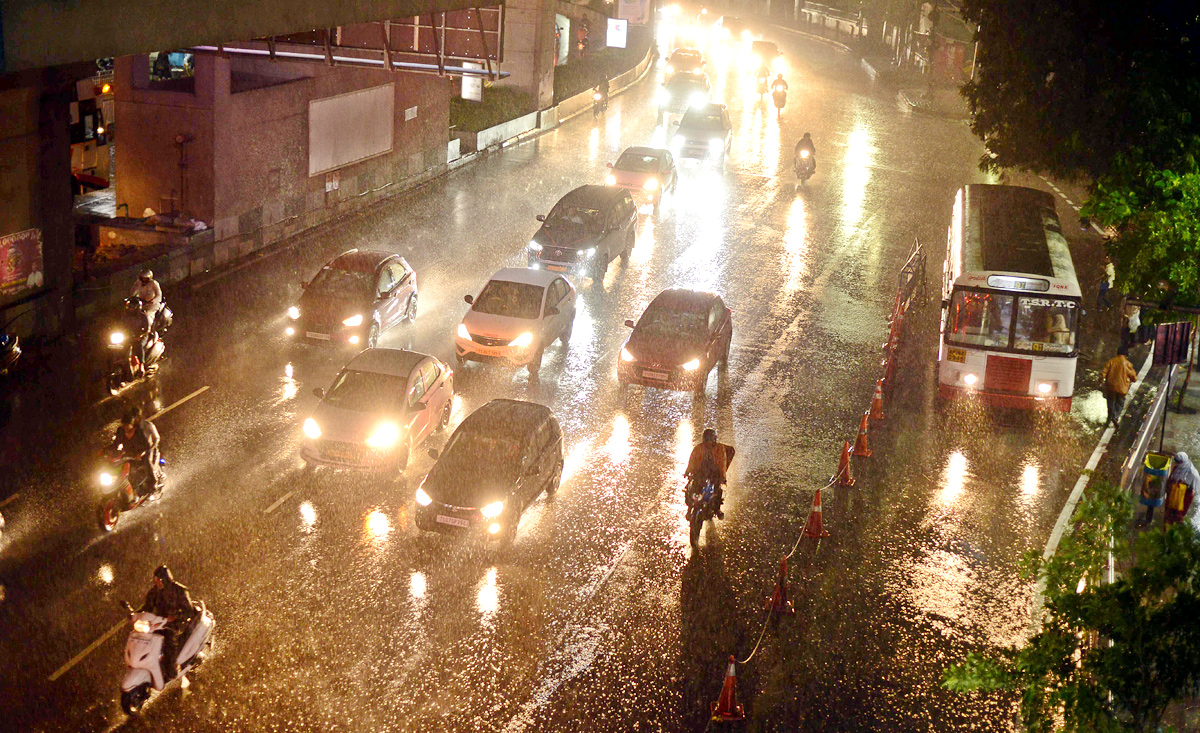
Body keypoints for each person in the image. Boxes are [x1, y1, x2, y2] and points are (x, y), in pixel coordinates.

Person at [141, 565, 196, 682]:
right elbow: (147, 608)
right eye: (156, 580)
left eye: (160, 580)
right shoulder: (154, 592)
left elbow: (189, 611)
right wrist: (136, 615)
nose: (157, 583)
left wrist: (175, 617)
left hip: (178, 623)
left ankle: (171, 671)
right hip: (161, 622)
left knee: (168, 641)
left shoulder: (180, 590)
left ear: (165, 579)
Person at [685, 428, 735, 519]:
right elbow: (692, 461)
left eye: (710, 440)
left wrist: (722, 477)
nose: (708, 443)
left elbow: (722, 463)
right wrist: (688, 472)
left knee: (717, 490)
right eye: (707, 440)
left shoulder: (720, 448)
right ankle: (689, 509)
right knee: (691, 488)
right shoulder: (699, 448)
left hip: (714, 474)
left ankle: (717, 509)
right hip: (700, 473)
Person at [112, 408, 163, 497]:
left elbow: (151, 442)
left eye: (127, 425)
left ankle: (153, 483)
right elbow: (116, 444)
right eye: (124, 426)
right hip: (131, 453)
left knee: (147, 461)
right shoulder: (122, 430)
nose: (125, 428)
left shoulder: (144, 428)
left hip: (146, 451)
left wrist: (145, 451)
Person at [1101, 345, 1137, 428]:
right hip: (1122, 388)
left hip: (1111, 387)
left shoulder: (1111, 361)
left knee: (1110, 403)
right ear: (1126, 354)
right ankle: (1116, 417)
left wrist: (1101, 382)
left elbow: (1103, 373)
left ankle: (1109, 419)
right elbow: (1134, 378)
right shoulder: (1128, 364)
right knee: (1120, 403)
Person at [1164, 452, 1200, 526]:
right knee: (1168, 513)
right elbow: (1171, 478)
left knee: (1178, 515)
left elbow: (1197, 487)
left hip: (1184, 497)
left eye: (1179, 462)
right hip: (1173, 493)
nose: (1177, 463)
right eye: (1176, 461)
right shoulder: (1177, 468)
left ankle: (1176, 530)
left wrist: (1183, 486)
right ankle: (1166, 530)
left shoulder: (1193, 473)